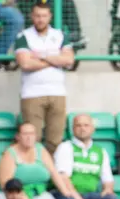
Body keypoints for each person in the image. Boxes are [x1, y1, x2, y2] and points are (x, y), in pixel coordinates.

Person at [14, 1, 74, 154]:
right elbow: (25, 63)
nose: (40, 19)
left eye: (44, 16)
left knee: (55, 140)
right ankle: (34, 174)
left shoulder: (59, 35)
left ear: (50, 17)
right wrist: (55, 59)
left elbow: (69, 60)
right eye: (37, 16)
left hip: (58, 93)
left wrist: (41, 55)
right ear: (32, 16)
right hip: (32, 94)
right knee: (33, 139)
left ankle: (53, 174)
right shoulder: (24, 36)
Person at [0, 122, 70, 199]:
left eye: (32, 134)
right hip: (9, 195)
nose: (29, 137)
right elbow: (5, 183)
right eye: (25, 134)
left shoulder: (40, 149)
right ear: (18, 136)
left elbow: (54, 173)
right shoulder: (9, 153)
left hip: (38, 194)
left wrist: (66, 193)